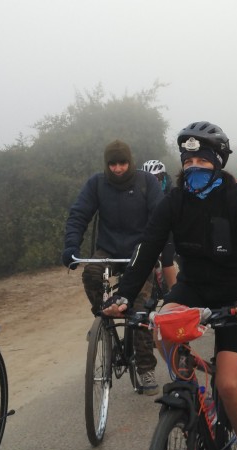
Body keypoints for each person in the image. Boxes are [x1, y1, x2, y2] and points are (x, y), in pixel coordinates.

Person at [103, 121, 237, 450]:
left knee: (229, 382)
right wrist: (126, 294)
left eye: (202, 159)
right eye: (188, 159)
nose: (194, 165)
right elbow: (148, 247)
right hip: (194, 286)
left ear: (218, 162)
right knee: (161, 323)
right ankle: (198, 398)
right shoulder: (174, 200)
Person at [62, 140, 163, 395]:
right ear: (106, 165)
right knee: (91, 274)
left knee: (139, 310)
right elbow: (79, 214)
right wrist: (71, 246)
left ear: (130, 162)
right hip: (108, 249)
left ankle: (145, 367)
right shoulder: (97, 183)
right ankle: (103, 319)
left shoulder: (146, 183)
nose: (118, 168)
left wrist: (160, 250)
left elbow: (161, 218)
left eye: (123, 163)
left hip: (141, 251)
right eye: (112, 164)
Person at [141, 159, 179, 290]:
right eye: (150, 178)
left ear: (164, 177)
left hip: (169, 231)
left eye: (157, 177)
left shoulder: (173, 193)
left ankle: (175, 295)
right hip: (147, 231)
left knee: (167, 259)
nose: (154, 181)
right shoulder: (140, 194)